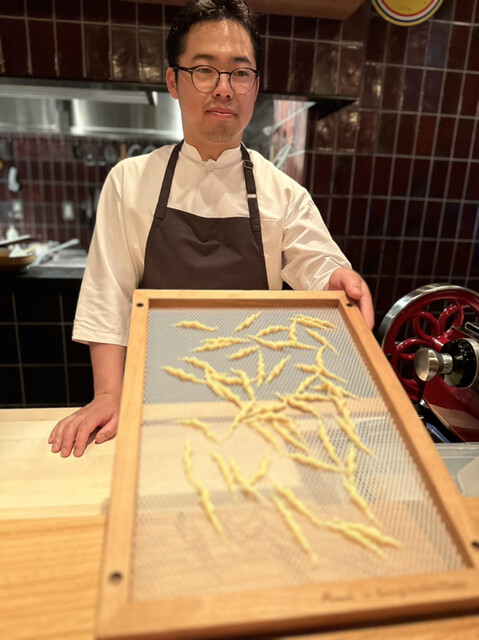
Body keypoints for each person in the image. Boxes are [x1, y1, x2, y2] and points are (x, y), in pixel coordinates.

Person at [49, 0, 374, 458]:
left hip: (255, 409)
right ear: (173, 81)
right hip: (153, 407)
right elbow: (110, 295)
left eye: (240, 73)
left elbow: (318, 265)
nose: (224, 88)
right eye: (204, 70)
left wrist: (337, 282)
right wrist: (107, 395)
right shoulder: (130, 181)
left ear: (254, 86)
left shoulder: (283, 192)